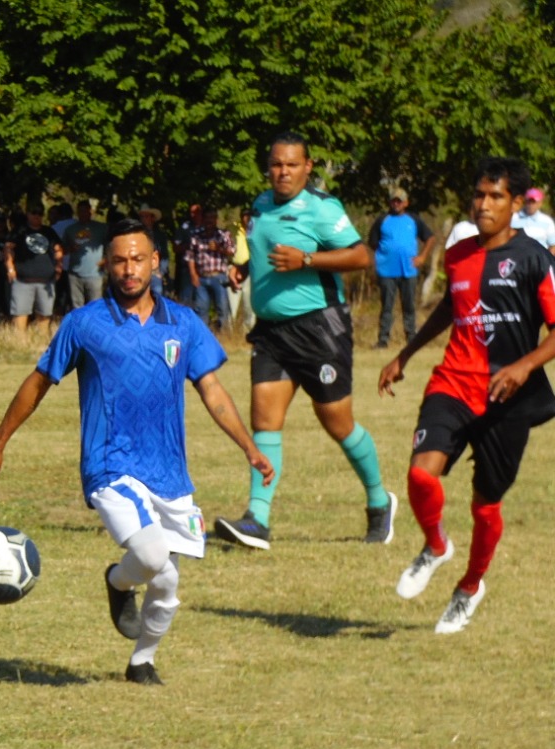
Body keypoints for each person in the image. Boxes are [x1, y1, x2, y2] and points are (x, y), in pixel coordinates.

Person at [0, 219, 273, 685]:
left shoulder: (183, 323)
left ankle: (141, 663)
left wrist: (249, 448)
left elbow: (212, 390)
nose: (129, 269)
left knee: (168, 581)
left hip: (169, 471)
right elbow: (39, 382)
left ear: (155, 262)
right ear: (106, 264)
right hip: (108, 465)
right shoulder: (84, 324)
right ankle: (118, 581)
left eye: (138, 259)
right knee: (151, 555)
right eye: (119, 260)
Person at [378, 157, 555, 633]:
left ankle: (471, 586)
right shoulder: (458, 254)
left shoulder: (537, 258)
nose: (483, 204)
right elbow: (449, 312)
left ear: (517, 203)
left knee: (485, 506)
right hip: (453, 383)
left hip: (507, 398)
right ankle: (435, 546)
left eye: (495, 196)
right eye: (478, 195)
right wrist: (407, 354)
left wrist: (524, 366)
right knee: (420, 474)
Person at [213, 131, 394, 550]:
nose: (283, 172)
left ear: (307, 167)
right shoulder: (259, 205)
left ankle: (379, 501)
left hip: (319, 328)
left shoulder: (321, 208)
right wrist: (244, 267)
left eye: (292, 165)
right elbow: (258, 248)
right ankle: (257, 518)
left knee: (337, 423)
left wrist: (306, 260)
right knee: (264, 420)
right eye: (277, 164)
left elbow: (360, 256)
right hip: (273, 332)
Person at [368, 187, 436, 348]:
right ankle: (383, 340)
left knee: (409, 306)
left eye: (399, 201)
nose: (396, 203)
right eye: (394, 200)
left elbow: (430, 238)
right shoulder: (382, 220)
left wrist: (423, 257)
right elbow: (372, 242)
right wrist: (384, 255)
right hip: (386, 271)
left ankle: (411, 339)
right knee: (386, 307)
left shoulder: (413, 220)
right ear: (390, 202)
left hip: (409, 270)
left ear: (406, 203)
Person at [5, 205, 63, 337]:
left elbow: (58, 249)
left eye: (40, 213)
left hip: (46, 281)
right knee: (20, 312)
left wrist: (59, 267)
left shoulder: (49, 232)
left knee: (45, 313)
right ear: (28, 214)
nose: (37, 216)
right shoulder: (19, 231)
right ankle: (19, 341)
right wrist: (10, 268)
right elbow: (8, 248)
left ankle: (41, 340)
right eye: (34, 212)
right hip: (22, 280)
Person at [185, 205, 236, 330]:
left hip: (218, 276)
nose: (210, 220)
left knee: (222, 308)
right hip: (201, 277)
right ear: (203, 219)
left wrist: (219, 248)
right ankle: (203, 337)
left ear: (216, 219)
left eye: (212, 217)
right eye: (207, 218)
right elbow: (190, 256)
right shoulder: (196, 235)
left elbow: (232, 250)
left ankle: (225, 338)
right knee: (201, 309)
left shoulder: (223, 234)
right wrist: (193, 275)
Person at [62, 200, 108, 308]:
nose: (82, 213)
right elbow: (62, 249)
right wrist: (71, 248)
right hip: (74, 274)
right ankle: (79, 325)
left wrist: (106, 259)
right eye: (80, 211)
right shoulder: (70, 229)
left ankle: (93, 325)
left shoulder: (102, 228)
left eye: (85, 211)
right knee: (77, 306)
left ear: (90, 212)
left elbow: (111, 246)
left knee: (95, 306)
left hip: (95, 274)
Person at [227, 208, 255, 330]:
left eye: (248, 216)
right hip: (233, 268)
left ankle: (247, 332)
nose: (246, 218)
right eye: (244, 216)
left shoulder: (256, 230)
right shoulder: (233, 229)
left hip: (251, 269)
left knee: (249, 304)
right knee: (231, 304)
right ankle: (229, 332)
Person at [137, 205, 169, 298]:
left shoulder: (160, 235)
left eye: (146, 216)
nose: (144, 219)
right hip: (140, 271)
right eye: (142, 216)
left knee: (157, 294)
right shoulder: (136, 234)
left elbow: (165, 255)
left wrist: (161, 272)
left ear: (152, 218)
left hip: (155, 272)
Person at [511, 187, 555, 252]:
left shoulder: (547, 221)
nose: (531, 205)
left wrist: (547, 261)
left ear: (540, 203)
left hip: (539, 259)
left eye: (533, 202)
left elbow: (553, 245)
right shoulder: (513, 218)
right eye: (529, 201)